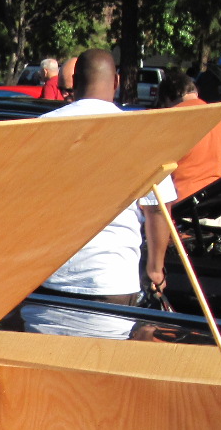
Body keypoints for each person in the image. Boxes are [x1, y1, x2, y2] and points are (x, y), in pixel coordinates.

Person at [36, 49, 175, 304]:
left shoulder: (39, 128)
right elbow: (157, 209)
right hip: (113, 280)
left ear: (74, 83)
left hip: (44, 281)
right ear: (116, 82)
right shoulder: (143, 136)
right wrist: (155, 269)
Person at [158, 69, 221, 201]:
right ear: (195, 91)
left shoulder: (171, 121)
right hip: (215, 201)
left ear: (168, 98)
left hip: (181, 205)